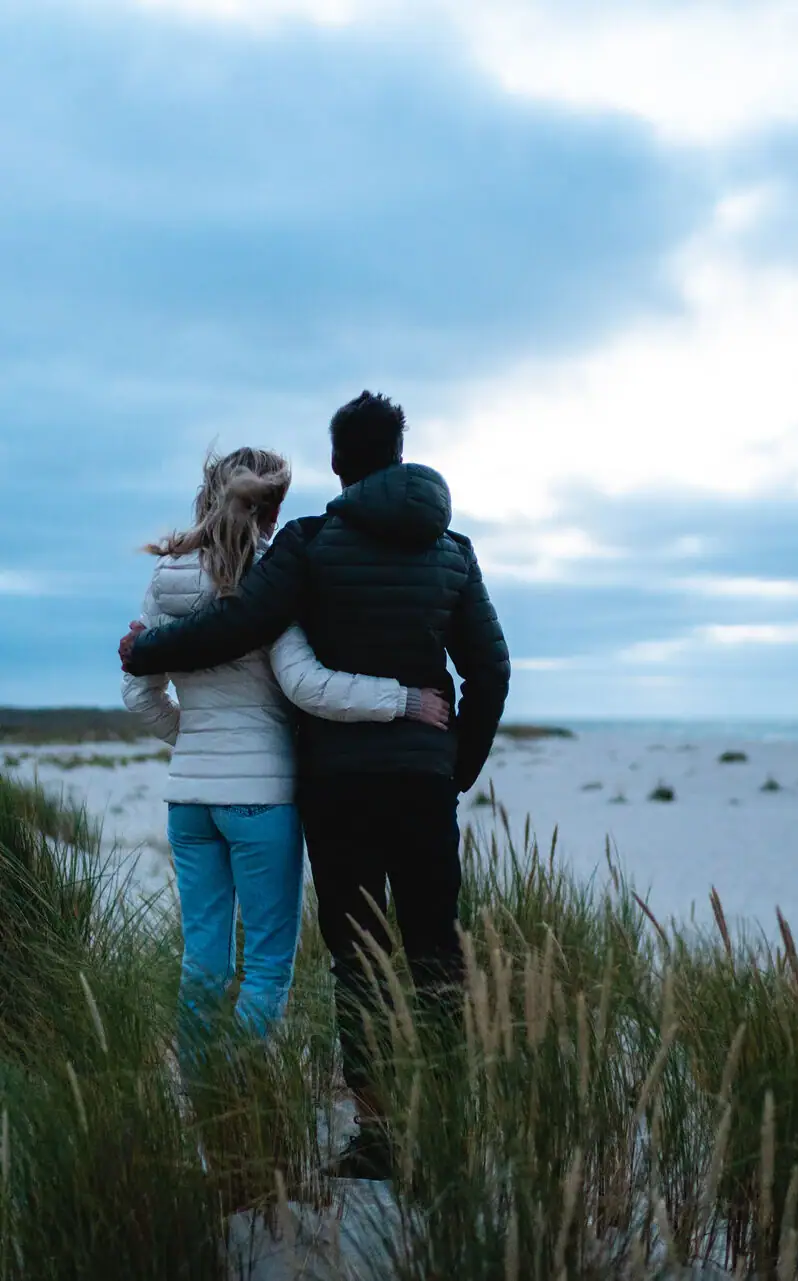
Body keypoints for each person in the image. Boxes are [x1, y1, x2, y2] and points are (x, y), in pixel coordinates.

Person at [120, 393, 511, 1179]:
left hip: (337, 786)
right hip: (421, 780)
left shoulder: (309, 542)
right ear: (397, 454)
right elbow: (490, 669)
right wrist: (455, 768)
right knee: (436, 949)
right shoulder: (454, 550)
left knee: (358, 956)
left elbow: (238, 625)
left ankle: (377, 1133)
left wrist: (145, 652)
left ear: (337, 464)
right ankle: (447, 1122)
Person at [122, 446, 451, 1078]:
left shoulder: (165, 578)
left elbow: (140, 693)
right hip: (261, 801)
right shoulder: (270, 579)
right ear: (269, 508)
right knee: (268, 964)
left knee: (203, 961)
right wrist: (406, 700)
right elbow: (307, 686)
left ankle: (198, 1091)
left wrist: (195, 744)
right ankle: (235, 1086)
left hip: (188, 802)